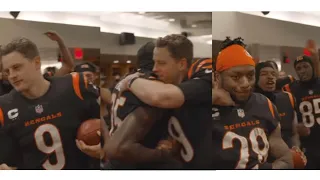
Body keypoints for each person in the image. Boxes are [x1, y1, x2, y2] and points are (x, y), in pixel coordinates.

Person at [0, 37, 101, 170]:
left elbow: (103, 123)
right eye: (7, 71)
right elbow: (9, 162)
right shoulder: (4, 107)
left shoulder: (75, 86)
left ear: (36, 63)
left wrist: (103, 149)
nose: (12, 75)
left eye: (17, 67)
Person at [117, 34, 212, 169]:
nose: (155, 68)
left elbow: (161, 97)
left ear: (181, 64)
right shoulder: (164, 85)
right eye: (154, 62)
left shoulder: (203, 77)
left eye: (161, 63)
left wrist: (130, 80)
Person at [212, 37, 293, 169]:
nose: (245, 84)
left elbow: (285, 159)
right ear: (217, 77)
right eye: (235, 77)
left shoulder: (264, 104)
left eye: (250, 76)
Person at [104, 41, 179, 169]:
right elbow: (121, 148)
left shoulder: (125, 79)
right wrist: (164, 155)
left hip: (115, 164)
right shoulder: (152, 88)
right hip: (135, 165)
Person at [283, 55, 320, 169]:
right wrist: (296, 126)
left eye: (306, 66)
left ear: (312, 67)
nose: (303, 70)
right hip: (307, 142)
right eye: (298, 68)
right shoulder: (291, 88)